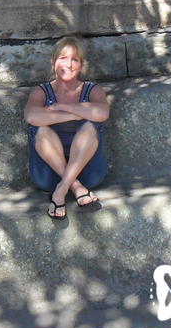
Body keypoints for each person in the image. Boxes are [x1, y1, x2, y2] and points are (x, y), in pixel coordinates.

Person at [24, 36, 110, 219]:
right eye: (63, 58)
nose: (69, 64)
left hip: (89, 173)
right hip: (47, 176)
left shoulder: (93, 90)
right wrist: (82, 112)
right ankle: (75, 187)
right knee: (41, 129)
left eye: (75, 59)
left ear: (81, 64)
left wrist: (63, 107)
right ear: (53, 62)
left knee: (89, 127)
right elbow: (31, 117)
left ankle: (61, 191)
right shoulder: (41, 92)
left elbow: (102, 113)